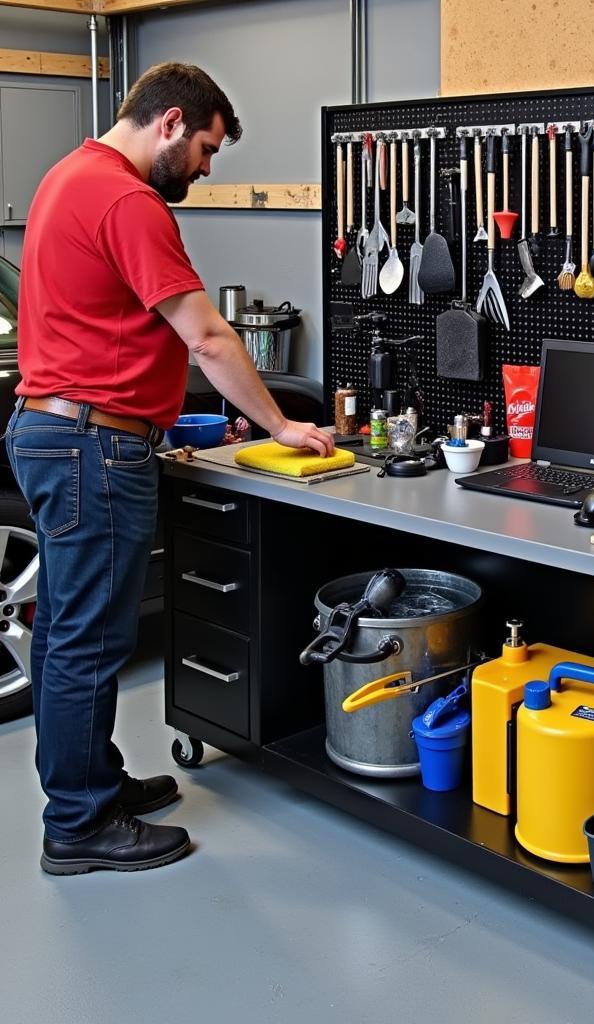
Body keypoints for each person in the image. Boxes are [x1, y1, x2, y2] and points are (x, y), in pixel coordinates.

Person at [6, 62, 334, 876]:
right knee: (87, 640)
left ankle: (93, 783)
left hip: (53, 431)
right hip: (91, 444)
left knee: (62, 632)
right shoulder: (127, 199)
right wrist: (282, 424)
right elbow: (212, 338)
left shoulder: (67, 176)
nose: (206, 168)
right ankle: (78, 824)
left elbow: (106, 324)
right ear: (171, 121)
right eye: (206, 149)